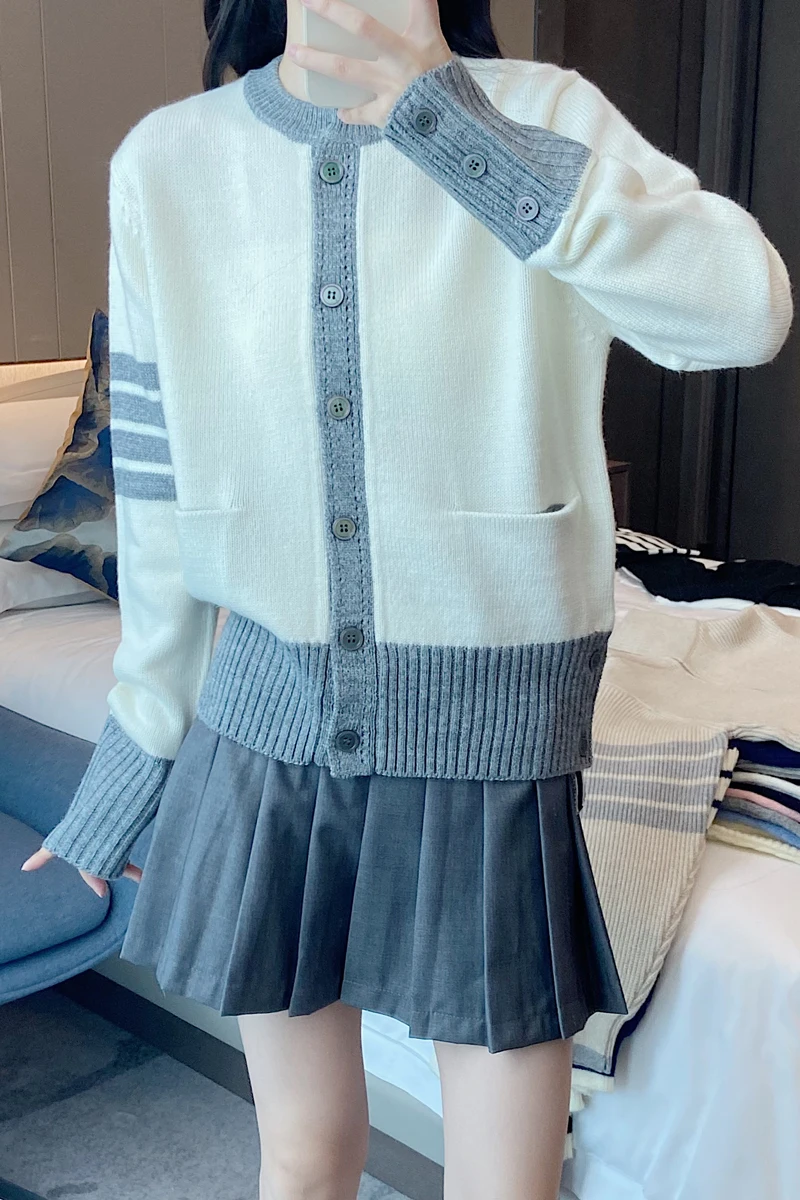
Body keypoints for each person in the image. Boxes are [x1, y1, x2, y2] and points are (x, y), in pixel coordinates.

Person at [21, 0, 793, 1196]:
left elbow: (740, 313)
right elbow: (162, 487)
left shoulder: (540, 117)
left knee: (502, 1181)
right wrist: (137, 749)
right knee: (301, 1156)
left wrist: (447, 121)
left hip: (492, 732)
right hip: (266, 719)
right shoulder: (171, 161)